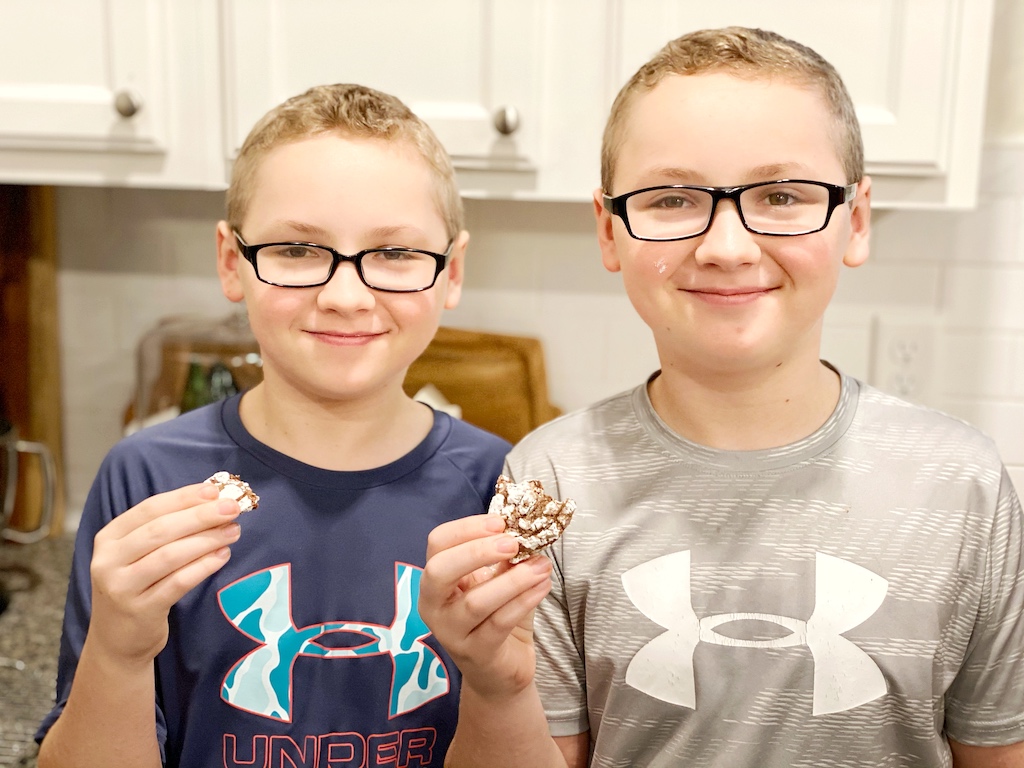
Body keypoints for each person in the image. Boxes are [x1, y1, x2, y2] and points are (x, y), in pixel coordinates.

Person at [418, 26, 1024, 768]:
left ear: (855, 220)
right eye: (672, 198)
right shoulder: (550, 479)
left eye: (780, 194)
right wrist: (497, 688)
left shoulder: (962, 486)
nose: (727, 247)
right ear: (609, 232)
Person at [36, 83, 510, 768]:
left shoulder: (501, 487)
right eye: (296, 249)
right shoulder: (148, 479)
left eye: (396, 254)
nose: (346, 296)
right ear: (232, 261)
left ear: (452, 270)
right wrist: (118, 650)